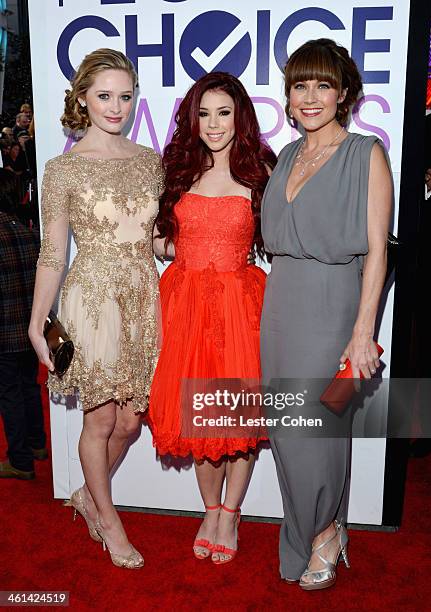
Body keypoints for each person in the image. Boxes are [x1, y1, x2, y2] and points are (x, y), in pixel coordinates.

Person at [260, 38, 392, 589]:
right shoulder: (287, 155)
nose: (309, 97)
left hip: (333, 303)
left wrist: (364, 331)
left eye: (322, 85)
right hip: (281, 303)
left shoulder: (367, 154)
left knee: (313, 429)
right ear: (288, 97)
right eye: (299, 86)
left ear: (343, 94)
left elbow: (379, 251)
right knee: (287, 429)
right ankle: (320, 527)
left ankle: (323, 535)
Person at [29, 48, 163, 569]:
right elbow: (52, 253)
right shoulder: (63, 169)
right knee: (100, 420)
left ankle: (88, 496)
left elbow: (152, 239)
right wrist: (39, 322)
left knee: (131, 422)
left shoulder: (148, 161)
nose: (116, 107)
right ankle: (109, 523)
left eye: (125, 97)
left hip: (142, 295)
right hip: (92, 299)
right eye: (104, 96)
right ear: (83, 98)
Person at [149, 72, 276, 564]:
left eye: (223, 112)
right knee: (199, 415)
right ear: (191, 118)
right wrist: (174, 246)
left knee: (239, 416)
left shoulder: (260, 172)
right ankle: (209, 509)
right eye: (204, 113)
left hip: (239, 306)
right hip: (185, 304)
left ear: (240, 116)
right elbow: (160, 238)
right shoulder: (179, 170)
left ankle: (232, 512)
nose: (213, 124)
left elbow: (279, 244)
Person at [0, 169, 47, 481]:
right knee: (29, 386)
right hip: (31, 328)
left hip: (4, 331)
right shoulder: (27, 232)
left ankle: (20, 461)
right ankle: (38, 444)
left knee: (10, 394)